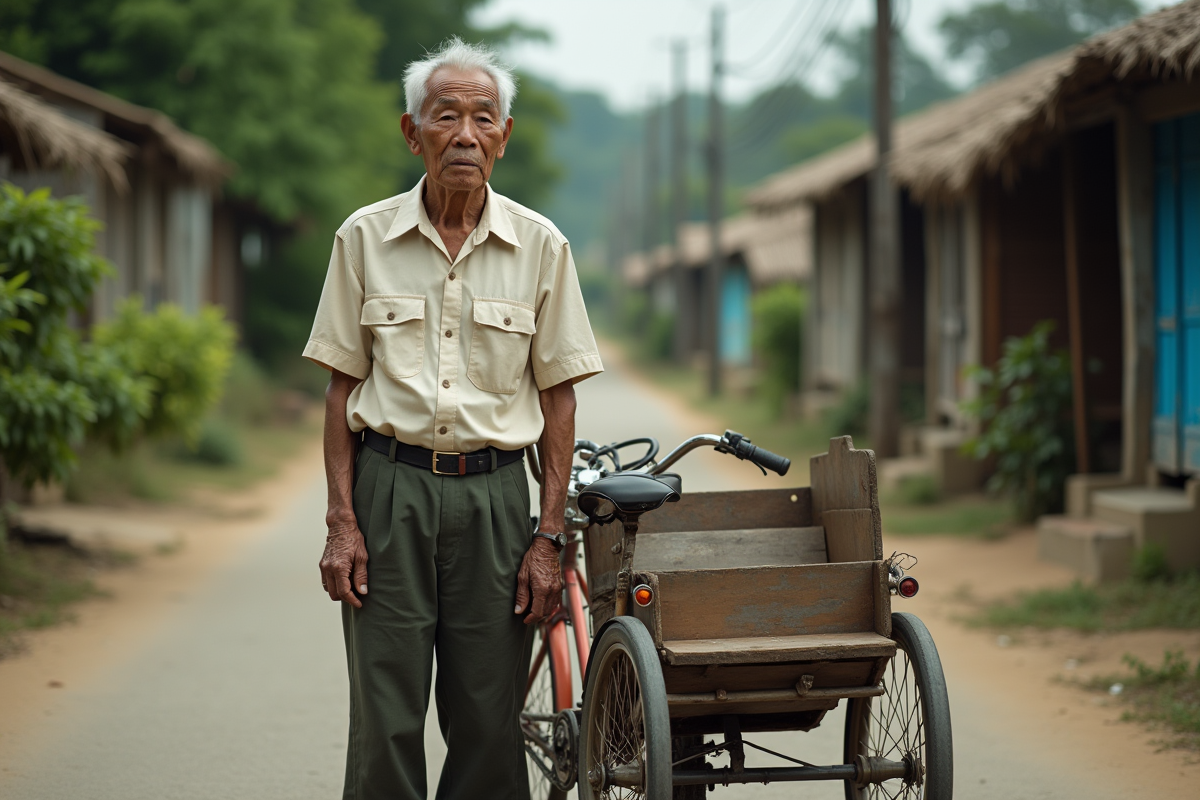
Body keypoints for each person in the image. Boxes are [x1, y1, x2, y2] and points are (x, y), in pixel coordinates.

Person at [302, 36, 603, 800]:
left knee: (487, 716)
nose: (465, 134)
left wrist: (549, 533)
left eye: (483, 118)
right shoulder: (363, 237)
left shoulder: (542, 247)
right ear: (413, 132)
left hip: (497, 501)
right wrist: (342, 522)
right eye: (446, 117)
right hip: (389, 492)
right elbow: (341, 392)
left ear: (502, 135)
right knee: (386, 713)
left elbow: (558, 399)